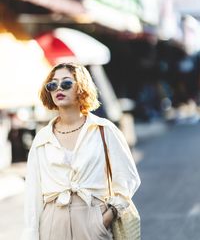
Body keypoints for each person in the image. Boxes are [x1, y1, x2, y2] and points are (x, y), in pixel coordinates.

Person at [21, 62, 141, 240]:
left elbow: (128, 179)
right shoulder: (42, 139)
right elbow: (33, 195)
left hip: (94, 220)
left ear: (81, 87)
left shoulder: (104, 130)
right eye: (52, 85)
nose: (58, 88)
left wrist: (108, 216)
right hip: (52, 224)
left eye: (66, 83)